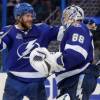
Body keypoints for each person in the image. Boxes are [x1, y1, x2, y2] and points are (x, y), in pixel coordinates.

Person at [29, 5, 99, 100]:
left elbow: (76, 56)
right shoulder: (77, 28)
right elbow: (52, 32)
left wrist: (53, 60)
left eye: (66, 16)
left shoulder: (77, 27)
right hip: (71, 80)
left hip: (77, 77)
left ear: (72, 15)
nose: (64, 19)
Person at [0, 3, 51, 100]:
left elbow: (62, 32)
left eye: (31, 16)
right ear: (18, 17)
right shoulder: (9, 31)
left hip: (37, 81)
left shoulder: (42, 29)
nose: (31, 19)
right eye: (27, 16)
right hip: (14, 80)